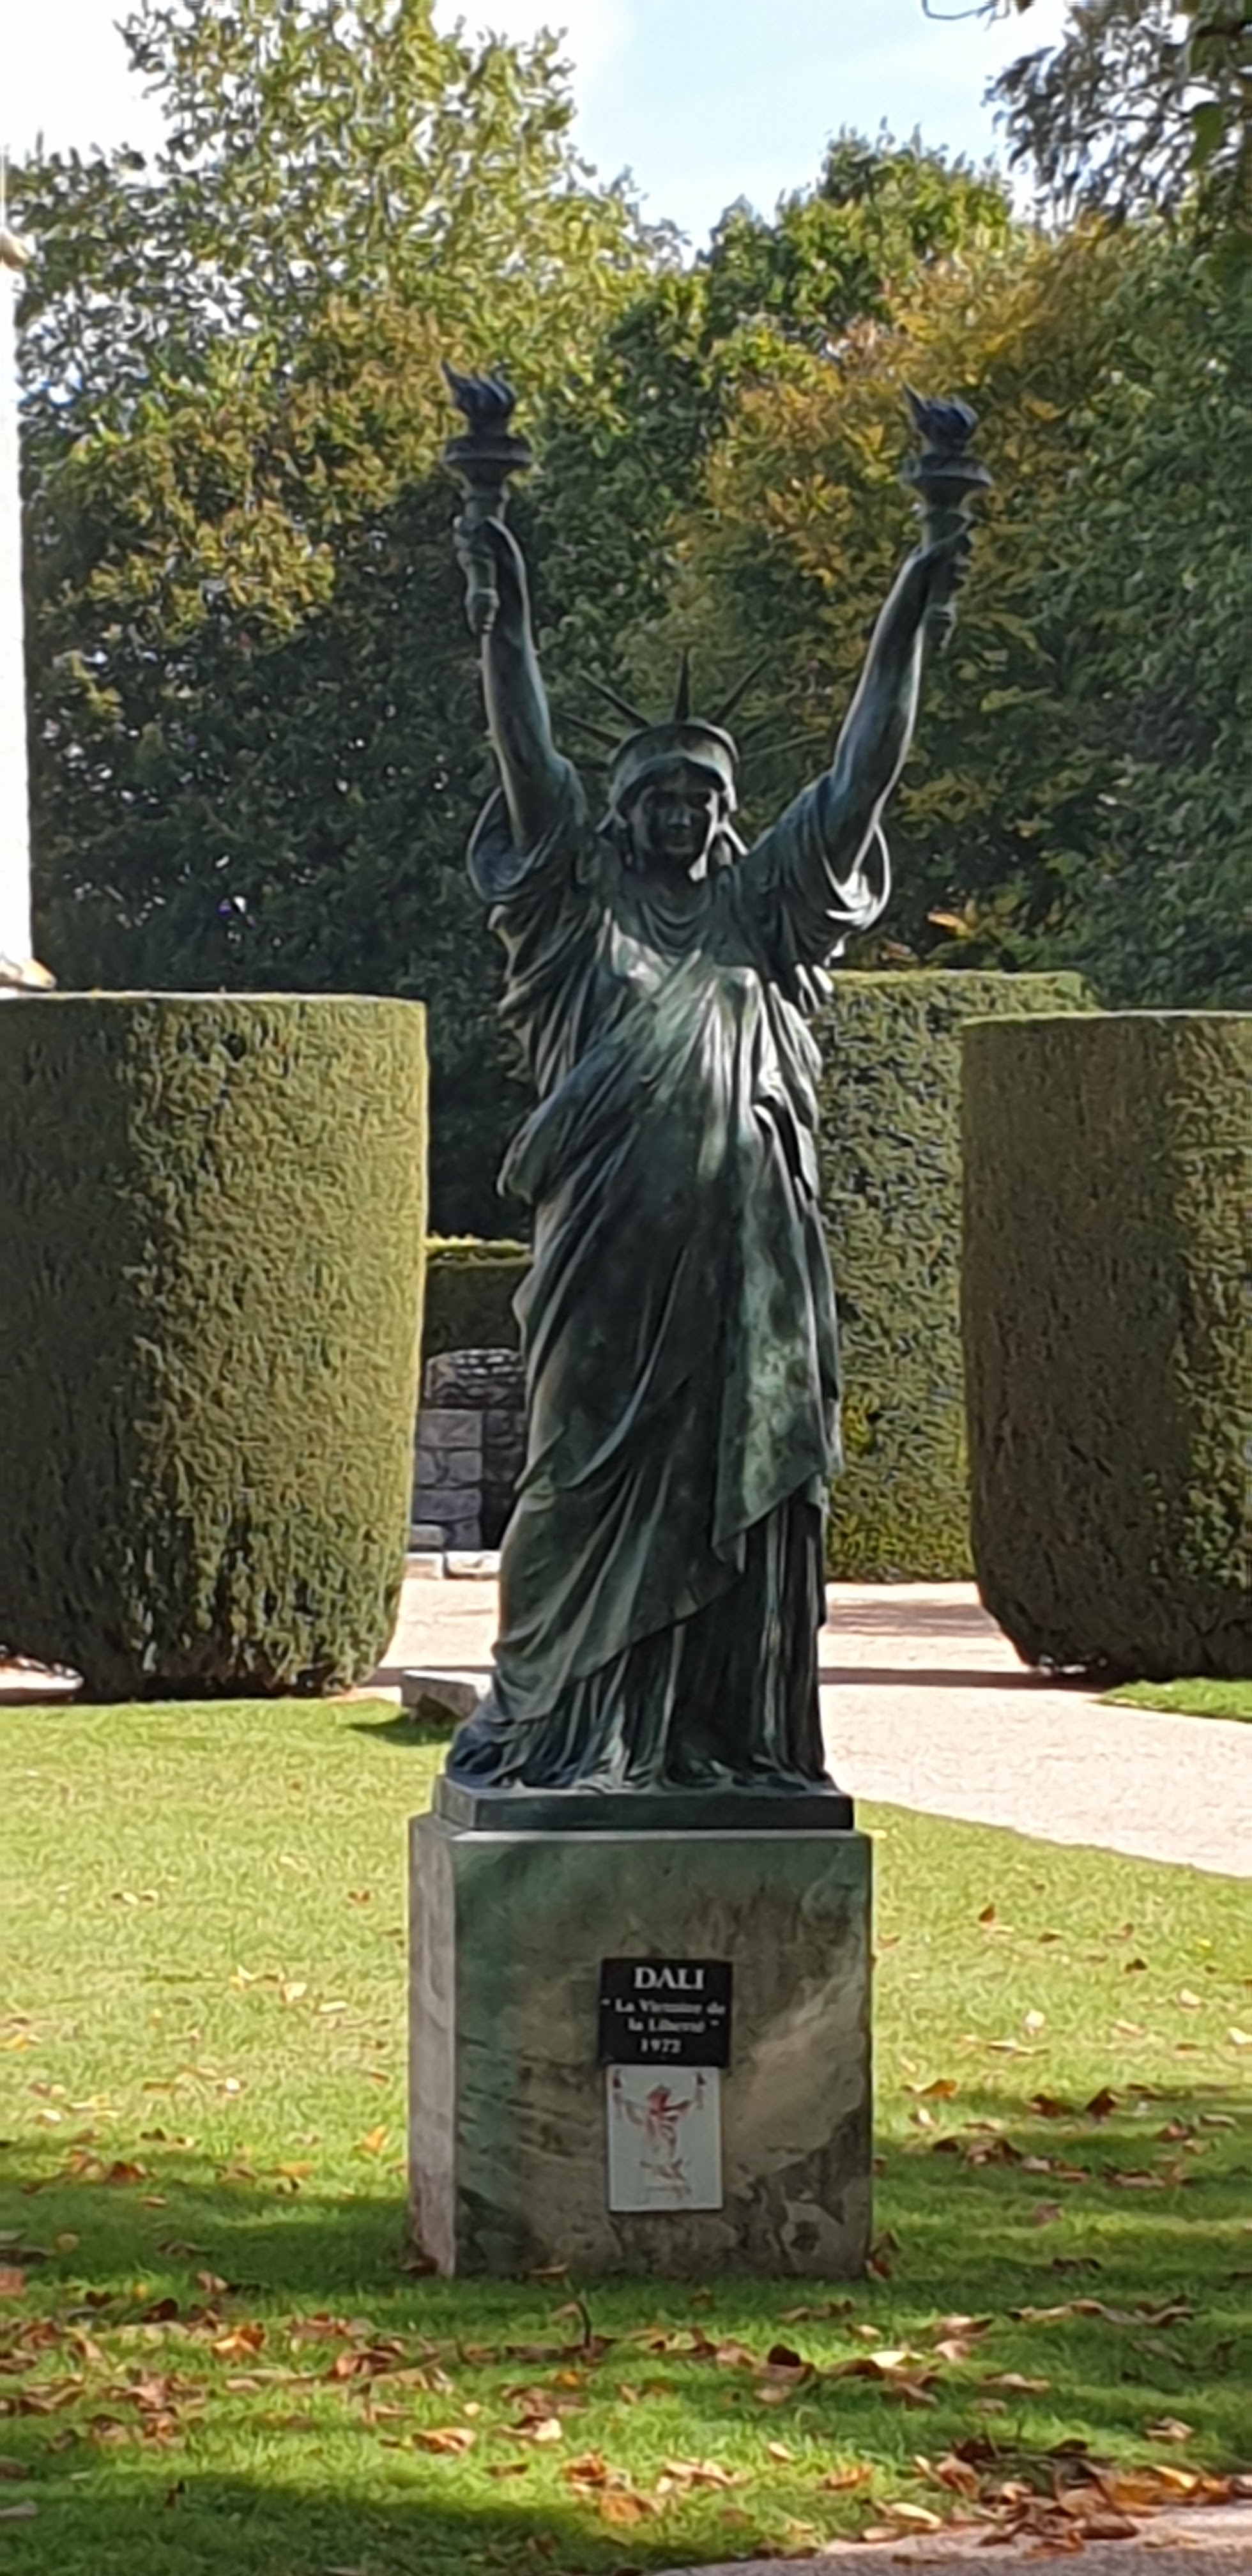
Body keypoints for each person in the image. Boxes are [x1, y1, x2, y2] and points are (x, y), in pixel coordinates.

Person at [443, 495, 968, 1801]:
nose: (680, 813)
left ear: (729, 816)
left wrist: (912, 598)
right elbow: (527, 756)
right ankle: (563, 1728)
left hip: (748, 1266)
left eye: (702, 796)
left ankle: (722, 1740)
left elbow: (862, 773)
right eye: (658, 796)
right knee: (574, 1480)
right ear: (620, 814)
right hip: (604, 1259)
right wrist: (503, 617)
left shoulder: (766, 907)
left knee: (743, 1490)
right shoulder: (573, 914)